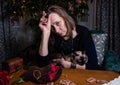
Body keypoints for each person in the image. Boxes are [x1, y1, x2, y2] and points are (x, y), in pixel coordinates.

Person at [38, 5, 99, 70]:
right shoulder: (51, 35)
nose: (56, 30)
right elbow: (42, 64)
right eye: (52, 27)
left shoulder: (83, 32)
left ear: (65, 18)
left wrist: (70, 65)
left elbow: (93, 65)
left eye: (58, 23)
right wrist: (45, 32)